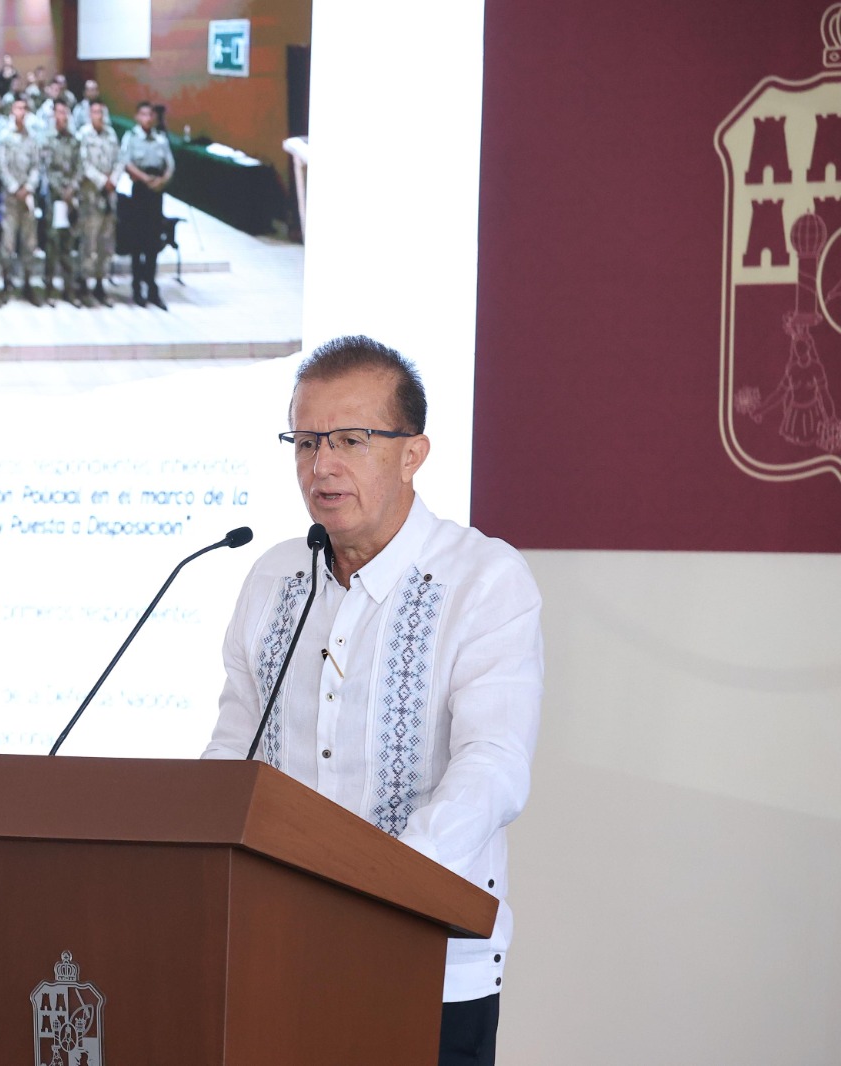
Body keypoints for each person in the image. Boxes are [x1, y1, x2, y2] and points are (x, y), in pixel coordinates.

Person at [203, 336, 542, 1066]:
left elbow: (494, 765)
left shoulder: (483, 579)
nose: (321, 465)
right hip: (272, 950)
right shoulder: (271, 578)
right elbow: (233, 751)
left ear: (413, 454)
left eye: (350, 440)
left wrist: (379, 884)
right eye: (305, 441)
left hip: (425, 964)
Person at [119, 101, 174, 309]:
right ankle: (136, 287)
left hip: (156, 192)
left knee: (153, 241)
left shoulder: (161, 139)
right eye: (143, 114)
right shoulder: (131, 137)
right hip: (140, 190)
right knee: (137, 240)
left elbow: (170, 164)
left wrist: (162, 180)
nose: (147, 118)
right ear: (137, 117)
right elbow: (126, 162)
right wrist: (144, 179)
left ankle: (152, 287)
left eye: (150, 115)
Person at [0, 97, 43, 305]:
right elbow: (2, 166)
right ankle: (6, 283)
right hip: (11, 196)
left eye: (24, 108)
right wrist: (15, 187)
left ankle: (27, 283)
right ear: (11, 111)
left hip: (27, 196)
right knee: (8, 242)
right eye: (17, 108)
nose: (21, 111)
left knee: (29, 242)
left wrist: (28, 187)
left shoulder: (32, 138)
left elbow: (36, 165)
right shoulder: (5, 137)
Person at [76, 100, 120, 306]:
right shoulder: (83, 135)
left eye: (101, 112)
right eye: (94, 112)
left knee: (106, 243)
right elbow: (83, 163)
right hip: (91, 195)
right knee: (89, 242)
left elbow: (120, 160)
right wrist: (103, 181)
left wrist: (114, 179)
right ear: (89, 114)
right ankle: (84, 284)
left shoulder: (111, 134)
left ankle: (101, 284)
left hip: (109, 196)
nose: (98, 115)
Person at [41, 99, 82, 306]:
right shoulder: (48, 140)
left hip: (71, 197)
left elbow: (79, 167)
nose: (62, 116)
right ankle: (49, 287)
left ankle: (69, 288)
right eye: (59, 112)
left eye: (65, 112)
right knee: (52, 242)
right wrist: (61, 191)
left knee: (68, 242)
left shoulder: (74, 140)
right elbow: (47, 169)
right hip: (55, 198)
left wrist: (72, 189)